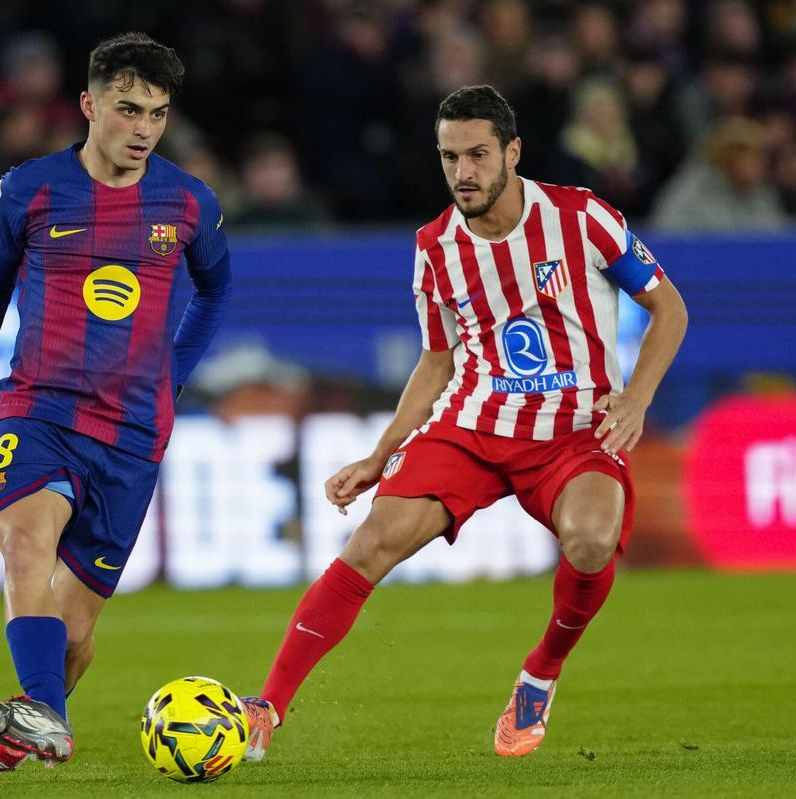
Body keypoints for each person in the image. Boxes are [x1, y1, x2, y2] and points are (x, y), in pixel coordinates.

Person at [240, 84, 687, 760]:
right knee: (372, 541)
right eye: (450, 157)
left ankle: (541, 670)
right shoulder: (435, 246)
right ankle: (267, 706)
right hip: (474, 429)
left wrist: (638, 397)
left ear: (512, 150)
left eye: (478, 154)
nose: (463, 173)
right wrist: (380, 455)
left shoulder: (582, 217)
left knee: (592, 541)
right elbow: (435, 361)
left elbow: (670, 309)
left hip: (575, 431)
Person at [0, 32, 231, 772]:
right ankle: (46, 716)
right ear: (89, 105)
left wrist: (174, 372)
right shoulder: (30, 190)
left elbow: (217, 287)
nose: (143, 129)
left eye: (157, 113)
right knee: (24, 546)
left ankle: (18, 733)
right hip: (41, 412)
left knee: (76, 623)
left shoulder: (188, 202)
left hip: (133, 436)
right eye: (128, 109)